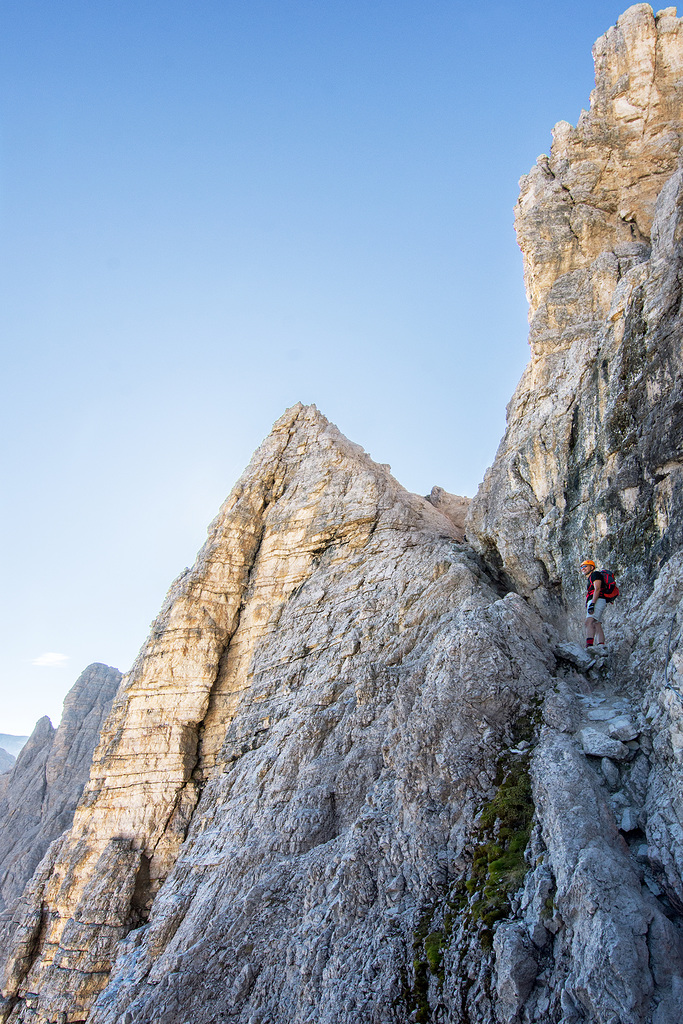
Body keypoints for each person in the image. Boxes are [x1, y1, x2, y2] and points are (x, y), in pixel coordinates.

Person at [580, 559, 607, 650]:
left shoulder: (595, 575)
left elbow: (597, 589)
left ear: (592, 567)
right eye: (582, 567)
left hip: (597, 600)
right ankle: (601, 645)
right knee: (596, 623)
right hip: (597, 600)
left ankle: (589, 646)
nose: (583, 568)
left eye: (585, 566)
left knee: (589, 622)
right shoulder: (591, 577)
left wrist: (592, 603)